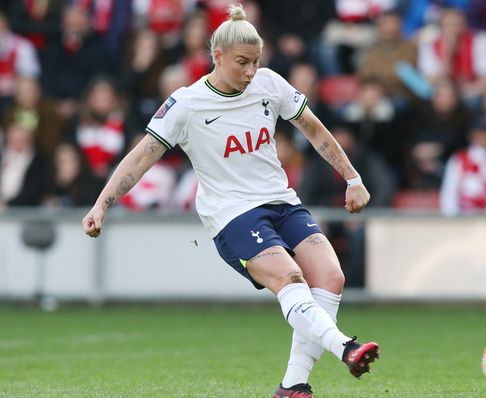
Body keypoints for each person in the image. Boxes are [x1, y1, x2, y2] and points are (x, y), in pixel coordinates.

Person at [81, 5, 379, 398]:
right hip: (232, 215)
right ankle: (345, 348)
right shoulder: (186, 104)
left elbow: (313, 128)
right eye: (242, 62)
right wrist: (102, 204)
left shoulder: (269, 84)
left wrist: (352, 178)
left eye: (256, 62)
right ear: (217, 56)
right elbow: (141, 155)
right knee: (289, 278)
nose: (251, 71)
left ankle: (293, 386)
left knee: (331, 277)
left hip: (281, 202)